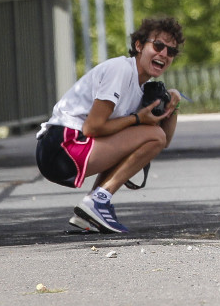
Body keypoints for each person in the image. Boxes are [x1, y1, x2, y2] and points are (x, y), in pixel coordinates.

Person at [35, 15, 185, 234]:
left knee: (153, 136)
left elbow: (165, 140)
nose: (164, 53)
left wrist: (174, 103)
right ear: (139, 46)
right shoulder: (121, 70)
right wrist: (137, 119)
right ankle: (97, 201)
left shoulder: (143, 88)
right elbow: (92, 128)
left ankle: (89, 212)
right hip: (60, 146)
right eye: (158, 45)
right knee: (152, 135)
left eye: (170, 51)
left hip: (66, 148)